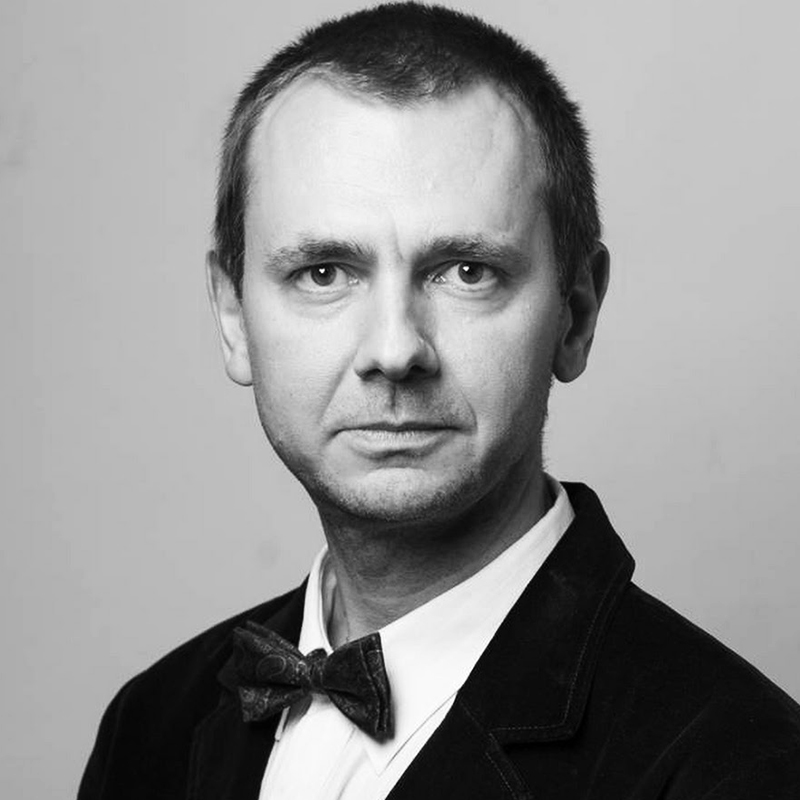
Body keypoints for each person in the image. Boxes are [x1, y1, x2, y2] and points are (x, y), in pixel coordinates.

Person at [78, 3, 800, 798]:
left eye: (466, 271)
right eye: (323, 273)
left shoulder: (746, 767)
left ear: (576, 313)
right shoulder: (150, 725)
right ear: (232, 315)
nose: (395, 350)